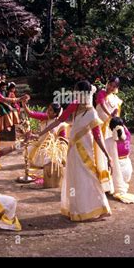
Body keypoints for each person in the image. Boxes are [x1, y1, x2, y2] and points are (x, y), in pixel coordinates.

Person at [33, 80, 112, 222]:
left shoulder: (92, 113)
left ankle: (100, 207)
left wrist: (107, 154)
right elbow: (59, 120)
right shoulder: (75, 105)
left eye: (78, 91)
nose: (76, 94)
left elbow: (98, 136)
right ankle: (78, 209)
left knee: (89, 178)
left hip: (85, 151)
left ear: (85, 93)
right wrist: (40, 133)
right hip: (73, 150)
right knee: (75, 178)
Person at [106, 117, 134, 204]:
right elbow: (125, 130)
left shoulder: (108, 142)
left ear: (111, 128)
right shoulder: (128, 137)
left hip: (116, 172)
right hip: (127, 171)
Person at [95, 76, 122, 192]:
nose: (111, 88)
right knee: (99, 153)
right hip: (99, 128)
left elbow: (117, 115)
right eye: (110, 85)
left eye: (114, 86)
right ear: (107, 83)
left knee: (110, 153)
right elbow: (101, 105)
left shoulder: (115, 98)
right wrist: (110, 114)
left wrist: (114, 116)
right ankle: (100, 181)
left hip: (109, 130)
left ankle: (110, 181)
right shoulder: (101, 93)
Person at [22, 100, 67, 169]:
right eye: (48, 109)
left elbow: (62, 139)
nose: (47, 111)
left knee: (47, 158)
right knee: (29, 151)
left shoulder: (61, 125)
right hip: (40, 143)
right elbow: (30, 114)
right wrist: (24, 105)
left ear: (55, 113)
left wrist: (59, 150)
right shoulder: (45, 117)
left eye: (50, 110)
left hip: (51, 147)